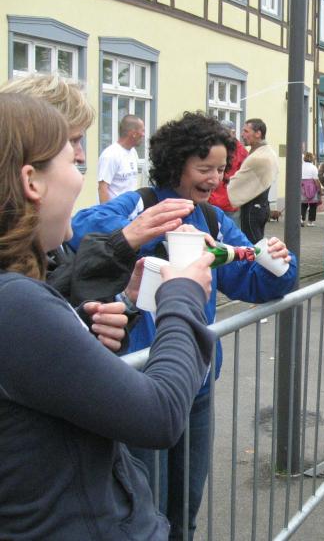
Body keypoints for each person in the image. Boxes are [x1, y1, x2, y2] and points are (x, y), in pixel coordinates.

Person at [69, 112, 298, 540]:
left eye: (221, 169)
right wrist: (140, 231)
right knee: (146, 510)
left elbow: (252, 279)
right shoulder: (139, 202)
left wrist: (278, 262)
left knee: (186, 508)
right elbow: (77, 232)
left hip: (196, 386)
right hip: (139, 385)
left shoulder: (212, 219)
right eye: (204, 168)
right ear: (176, 165)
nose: (215, 179)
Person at [0, 93, 217, 539]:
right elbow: (159, 414)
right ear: (32, 182)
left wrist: (91, 319)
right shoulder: (15, 303)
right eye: (72, 159)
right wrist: (181, 298)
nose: (81, 169)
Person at [228, 117, 277, 244]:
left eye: (246, 131)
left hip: (252, 208)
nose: (242, 135)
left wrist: (225, 181)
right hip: (261, 206)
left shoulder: (258, 156)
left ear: (258, 133)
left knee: (253, 246)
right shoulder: (266, 152)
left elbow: (239, 181)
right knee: (256, 243)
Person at [209, 119, 250, 228]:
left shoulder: (241, 152)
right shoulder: (240, 151)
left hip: (229, 203)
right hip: (217, 201)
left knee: (229, 233)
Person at [98, 114, 144, 203]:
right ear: (134, 134)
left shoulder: (133, 152)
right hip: (115, 210)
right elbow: (102, 189)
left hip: (131, 210)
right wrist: (108, 211)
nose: (143, 135)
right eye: (142, 131)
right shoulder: (110, 155)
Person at [300, 151, 323, 227]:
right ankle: (310, 221)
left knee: (303, 204)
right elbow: (316, 180)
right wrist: (320, 189)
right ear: (312, 159)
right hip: (312, 188)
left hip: (302, 187)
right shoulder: (313, 167)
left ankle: (302, 219)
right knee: (313, 205)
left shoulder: (301, 166)